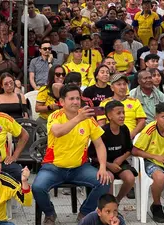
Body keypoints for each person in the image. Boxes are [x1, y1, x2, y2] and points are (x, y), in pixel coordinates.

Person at [32, 85, 110, 225]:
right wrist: (78, 119)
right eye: (71, 99)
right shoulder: (55, 116)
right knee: (38, 187)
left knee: (105, 181)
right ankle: (50, 214)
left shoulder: (87, 118)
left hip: (79, 167)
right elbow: (58, 132)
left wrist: (103, 167)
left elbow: (99, 144)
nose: (75, 102)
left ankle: (85, 212)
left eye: (77, 98)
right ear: (62, 102)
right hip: (54, 167)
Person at [88, 101, 136, 203]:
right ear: (109, 116)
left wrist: (121, 159)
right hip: (102, 164)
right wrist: (108, 165)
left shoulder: (124, 129)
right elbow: (92, 154)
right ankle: (108, 205)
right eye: (118, 113)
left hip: (119, 162)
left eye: (123, 113)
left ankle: (116, 201)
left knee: (130, 178)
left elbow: (129, 149)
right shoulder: (102, 131)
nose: (122, 116)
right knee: (109, 177)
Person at [98, 74, 147, 139]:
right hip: (111, 137)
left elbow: (142, 121)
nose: (122, 87)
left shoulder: (135, 101)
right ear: (112, 88)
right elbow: (101, 124)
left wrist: (131, 135)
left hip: (132, 137)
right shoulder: (103, 103)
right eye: (119, 84)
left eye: (124, 84)